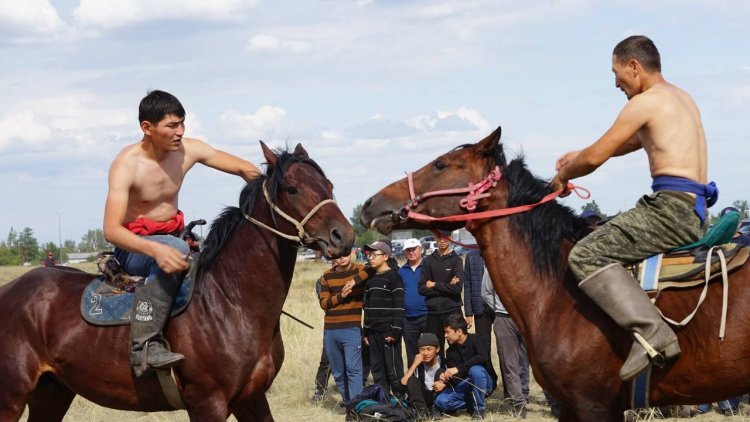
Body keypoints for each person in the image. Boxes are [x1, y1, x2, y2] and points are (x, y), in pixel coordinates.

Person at [550, 35, 717, 381]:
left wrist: (563, 176)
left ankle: (651, 331)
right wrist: (578, 154)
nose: (616, 82)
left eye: (616, 73)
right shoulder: (681, 99)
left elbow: (597, 158)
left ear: (634, 66)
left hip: (669, 211)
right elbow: (629, 141)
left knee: (584, 254)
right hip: (695, 209)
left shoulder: (645, 102)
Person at [103, 90, 260, 377]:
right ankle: (144, 347)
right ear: (147, 128)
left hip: (175, 241)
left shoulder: (188, 151)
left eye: (182, 124)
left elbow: (244, 168)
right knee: (176, 249)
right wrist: (157, 250)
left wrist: (269, 188)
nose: (180, 132)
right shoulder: (126, 165)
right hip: (135, 249)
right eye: (172, 125)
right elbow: (111, 230)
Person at [319, 252, 371, 403]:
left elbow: (372, 269)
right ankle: (348, 403)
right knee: (338, 371)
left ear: (352, 253)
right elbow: (324, 303)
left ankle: (357, 406)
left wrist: (354, 282)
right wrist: (341, 296)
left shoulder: (359, 269)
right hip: (330, 329)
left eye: (345, 254)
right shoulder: (327, 275)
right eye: (338, 255)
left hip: (351, 328)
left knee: (353, 370)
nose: (342, 257)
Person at [481, 265, 529, 418]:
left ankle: (552, 401)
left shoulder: (527, 261)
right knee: (509, 364)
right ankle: (519, 403)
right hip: (503, 319)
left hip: (528, 318)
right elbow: (486, 292)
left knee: (537, 362)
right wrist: (499, 308)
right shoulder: (493, 266)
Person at [362, 240, 405, 396]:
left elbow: (399, 307)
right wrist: (365, 332)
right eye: (369, 254)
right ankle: (384, 404)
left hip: (388, 332)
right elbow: (367, 308)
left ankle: (400, 402)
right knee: (377, 370)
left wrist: (395, 331)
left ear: (386, 256)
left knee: (393, 370)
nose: (370, 258)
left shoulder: (394, 277)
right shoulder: (370, 279)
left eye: (374, 254)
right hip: (373, 333)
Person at [434, 313, 496, 420]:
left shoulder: (477, 339)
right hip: (466, 385)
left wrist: (458, 369)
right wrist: (446, 381)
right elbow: (457, 380)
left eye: (448, 332)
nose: (445, 335)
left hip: (486, 383)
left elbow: (483, 357)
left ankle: (478, 410)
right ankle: (472, 402)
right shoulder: (450, 352)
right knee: (440, 401)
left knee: (475, 370)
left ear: (459, 332)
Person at [418, 230, 464, 357]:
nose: (442, 240)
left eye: (445, 237)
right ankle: (438, 376)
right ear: (435, 238)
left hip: (452, 311)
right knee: (435, 350)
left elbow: (457, 289)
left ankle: (456, 376)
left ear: (451, 238)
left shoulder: (457, 260)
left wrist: (434, 284)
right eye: (439, 237)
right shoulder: (428, 261)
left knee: (457, 349)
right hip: (433, 313)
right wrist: (447, 285)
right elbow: (421, 289)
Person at [462, 250, 498, 382]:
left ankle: (510, 388)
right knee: (484, 347)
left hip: (500, 307)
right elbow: (468, 285)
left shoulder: (499, 252)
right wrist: (469, 312)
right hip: (480, 308)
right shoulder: (471, 257)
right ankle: (489, 381)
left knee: (504, 349)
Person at [400, 333, 447, 420]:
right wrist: (414, 364)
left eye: (429, 349)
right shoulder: (417, 364)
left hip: (438, 396)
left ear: (437, 349)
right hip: (422, 398)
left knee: (440, 372)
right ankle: (421, 411)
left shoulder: (444, 363)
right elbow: (403, 384)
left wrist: (445, 385)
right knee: (412, 379)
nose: (425, 353)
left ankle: (436, 409)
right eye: (422, 350)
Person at [398, 238, 428, 367]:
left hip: (427, 315)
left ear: (420, 249)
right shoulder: (401, 271)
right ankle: (415, 384)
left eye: (414, 249)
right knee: (412, 354)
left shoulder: (428, 266)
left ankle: (433, 383)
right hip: (408, 319)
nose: (411, 252)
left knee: (430, 351)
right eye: (408, 250)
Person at [311, 276, 333, 402]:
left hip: (350, 324)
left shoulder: (353, 277)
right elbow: (325, 303)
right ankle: (320, 389)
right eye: (333, 260)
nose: (337, 262)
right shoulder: (322, 280)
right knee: (326, 359)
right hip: (331, 324)